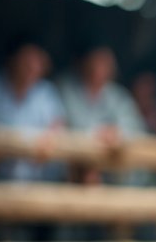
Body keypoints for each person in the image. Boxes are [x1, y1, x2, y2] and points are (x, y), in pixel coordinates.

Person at [57, 39, 146, 184]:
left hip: (111, 177)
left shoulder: (118, 96)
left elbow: (135, 131)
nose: (100, 66)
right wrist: (98, 135)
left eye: (106, 61)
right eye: (96, 60)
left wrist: (117, 135)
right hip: (73, 175)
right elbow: (65, 127)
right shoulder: (65, 89)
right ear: (83, 62)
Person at [0, 34, 65, 182]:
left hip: (37, 181)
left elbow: (58, 127)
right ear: (12, 60)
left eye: (37, 60)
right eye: (26, 60)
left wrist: (49, 141)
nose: (31, 66)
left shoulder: (46, 93)